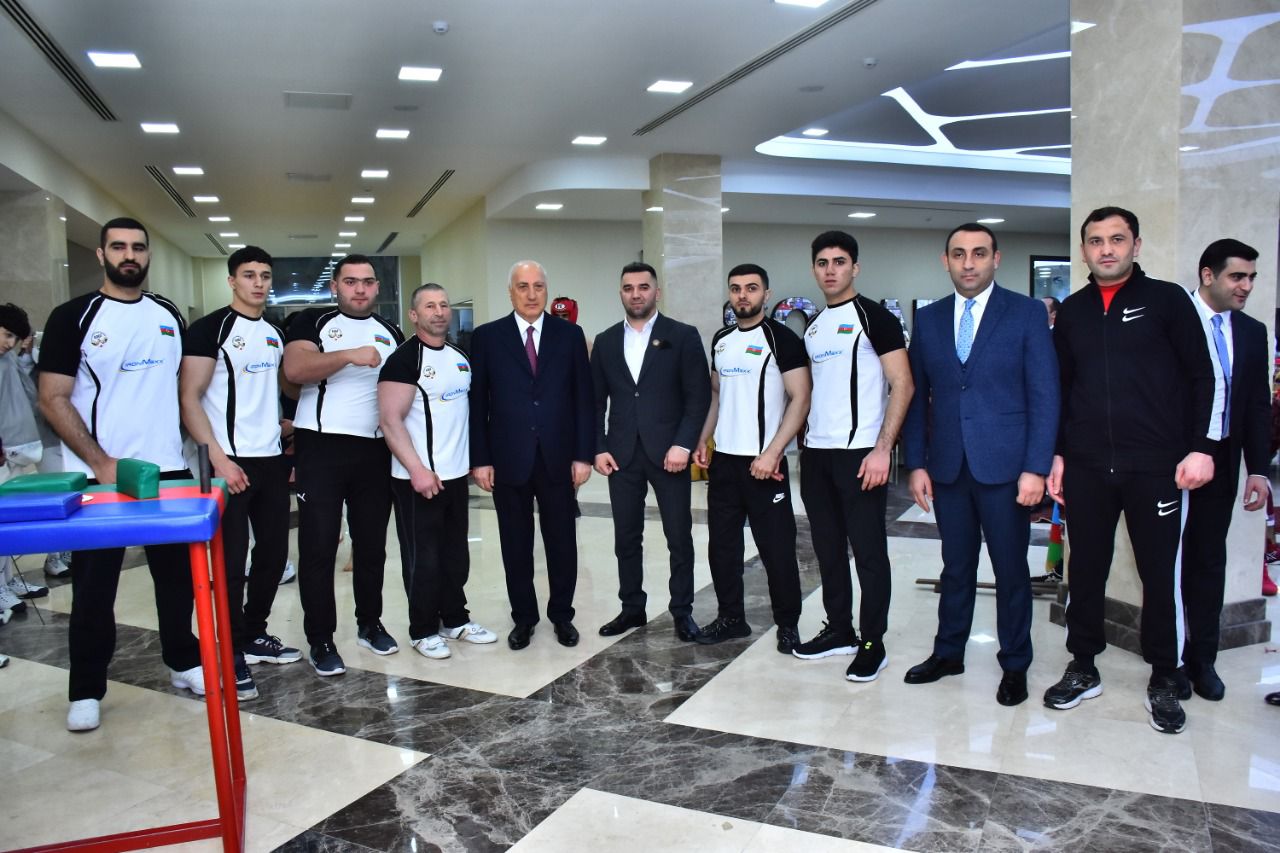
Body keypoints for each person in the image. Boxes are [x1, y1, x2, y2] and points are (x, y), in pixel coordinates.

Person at [1045, 206, 1218, 735]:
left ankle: (1166, 673)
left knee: (1159, 573)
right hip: (1088, 466)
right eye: (1096, 241)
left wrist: (1200, 448)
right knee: (1084, 569)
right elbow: (1061, 388)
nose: (1107, 249)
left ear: (1136, 245)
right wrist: (1058, 454)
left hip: (1157, 466)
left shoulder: (1168, 301)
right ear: (1084, 251)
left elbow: (1203, 377)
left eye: (1117, 239)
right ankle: (1083, 665)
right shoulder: (1073, 312)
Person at [38, 217, 203, 732]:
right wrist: (100, 462)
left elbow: (183, 390)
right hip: (101, 478)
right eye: (118, 247)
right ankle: (86, 688)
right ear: (101, 254)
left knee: (177, 581)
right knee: (93, 589)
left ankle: (183, 660)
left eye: (137, 247)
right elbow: (52, 397)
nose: (129, 255)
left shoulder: (168, 313)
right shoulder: (74, 316)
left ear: (148, 254)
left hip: (168, 470)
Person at [901, 223, 1059, 706]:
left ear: (996, 258)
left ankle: (1015, 663)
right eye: (958, 254)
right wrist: (916, 463)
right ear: (945, 260)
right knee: (955, 566)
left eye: (978, 253)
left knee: (1011, 570)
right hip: (948, 467)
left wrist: (1035, 467)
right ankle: (949, 652)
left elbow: (1045, 394)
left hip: (1007, 469)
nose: (968, 263)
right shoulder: (929, 319)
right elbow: (916, 398)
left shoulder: (1026, 313)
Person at [180, 246, 302, 701]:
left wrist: (282, 426)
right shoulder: (210, 329)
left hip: (270, 459)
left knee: (273, 555)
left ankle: (253, 634)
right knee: (229, 566)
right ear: (232, 280)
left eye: (265, 275)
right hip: (227, 462)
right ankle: (228, 652)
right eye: (249, 275)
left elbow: (268, 393)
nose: (258, 283)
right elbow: (189, 398)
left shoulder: (274, 333)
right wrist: (218, 459)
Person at [793, 231, 913, 683]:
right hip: (817, 455)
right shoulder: (815, 326)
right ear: (814, 269)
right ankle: (839, 629)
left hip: (861, 454)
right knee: (826, 549)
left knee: (868, 552)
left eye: (839, 261)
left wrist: (883, 450)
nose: (830, 270)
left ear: (855, 268)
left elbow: (902, 383)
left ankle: (871, 642)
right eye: (822, 262)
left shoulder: (875, 318)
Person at [283, 254, 404, 676]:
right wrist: (349, 355)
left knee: (371, 546)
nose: (360, 289)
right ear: (335, 286)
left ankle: (370, 624)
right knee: (318, 547)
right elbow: (296, 368)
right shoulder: (312, 321)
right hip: (322, 447)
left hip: (375, 450)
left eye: (367, 281)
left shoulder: (391, 331)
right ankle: (321, 639)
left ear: (377, 288)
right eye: (350, 281)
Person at [469, 261, 594, 650]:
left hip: (558, 457)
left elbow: (584, 398)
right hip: (508, 458)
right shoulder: (487, 337)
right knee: (515, 543)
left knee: (562, 542)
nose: (531, 294)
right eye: (522, 286)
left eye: (538, 286)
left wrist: (583, 455)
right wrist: (481, 459)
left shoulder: (570, 335)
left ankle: (562, 615)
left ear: (546, 290)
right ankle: (523, 618)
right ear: (510, 292)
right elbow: (478, 403)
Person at [378, 283, 497, 660]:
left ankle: (454, 619)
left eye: (444, 305)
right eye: (430, 306)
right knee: (423, 558)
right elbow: (390, 421)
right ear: (414, 315)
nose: (439, 311)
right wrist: (417, 469)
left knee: (455, 555)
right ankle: (423, 629)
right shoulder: (403, 360)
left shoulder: (460, 356)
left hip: (456, 475)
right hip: (418, 479)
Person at [592, 262, 710, 642]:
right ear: (621, 293)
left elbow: (698, 396)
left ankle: (682, 611)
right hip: (621, 455)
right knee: (626, 537)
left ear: (656, 292)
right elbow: (594, 402)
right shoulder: (606, 341)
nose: (636, 294)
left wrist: (683, 444)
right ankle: (632, 608)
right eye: (628, 288)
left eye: (643, 287)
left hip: (669, 455)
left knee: (679, 537)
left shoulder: (683, 335)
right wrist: (598, 448)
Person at [693, 264, 808, 650]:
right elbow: (716, 394)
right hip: (725, 462)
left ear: (766, 294)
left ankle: (788, 624)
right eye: (736, 288)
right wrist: (704, 438)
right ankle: (731, 619)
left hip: (765, 464)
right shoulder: (722, 340)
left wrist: (773, 453)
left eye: (751, 288)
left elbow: (801, 398)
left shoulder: (782, 338)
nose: (743, 295)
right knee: (722, 547)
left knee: (777, 549)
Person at [1180, 238, 1269, 702]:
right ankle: (1170, 659)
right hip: (1170, 462)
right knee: (1165, 561)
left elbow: (1256, 404)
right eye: (1237, 276)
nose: (1246, 286)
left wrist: (1258, 469)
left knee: (1209, 560)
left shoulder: (1252, 331)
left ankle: (1203, 659)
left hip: (1224, 462)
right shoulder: (1173, 319)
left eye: (1251, 277)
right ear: (1208, 275)